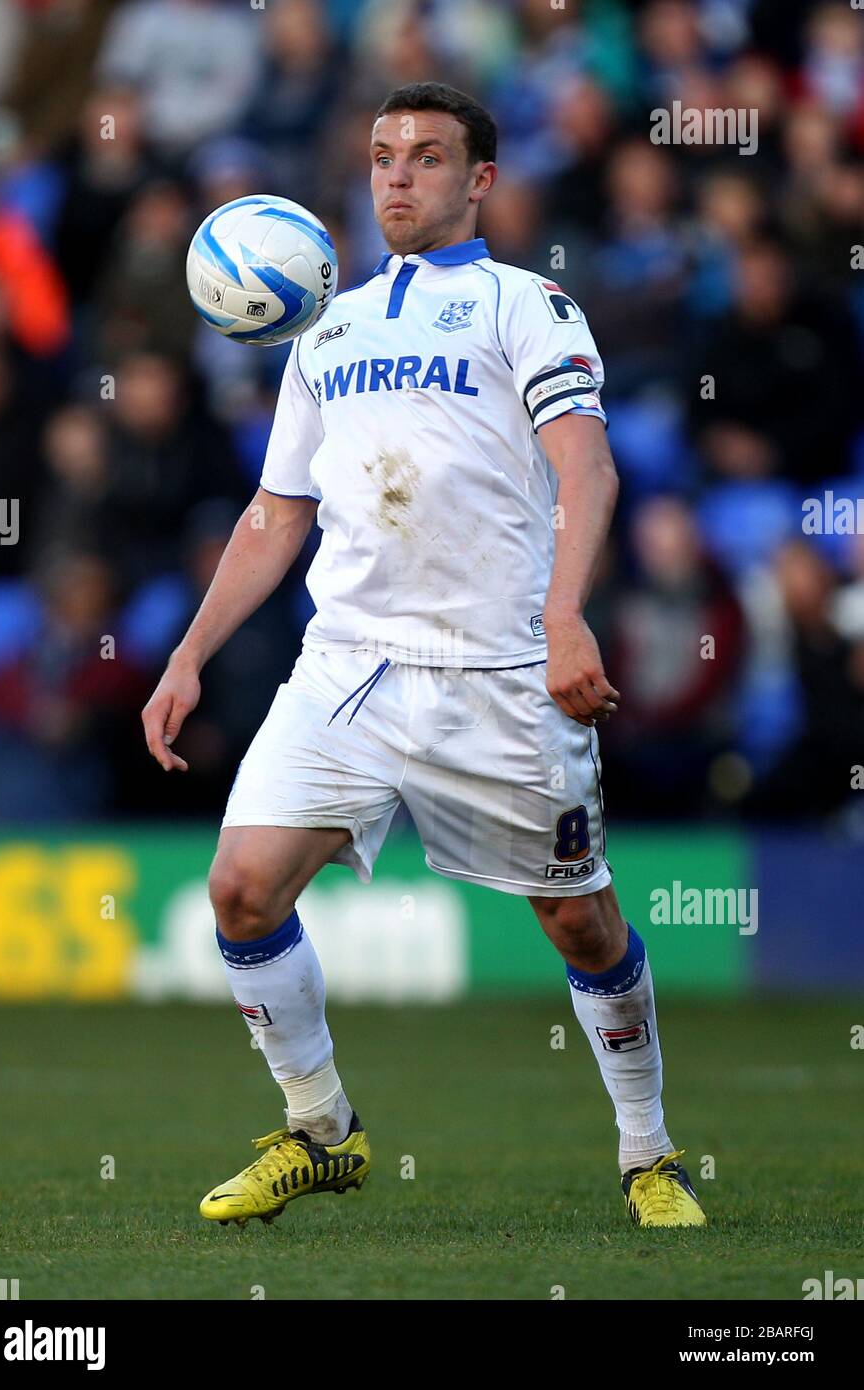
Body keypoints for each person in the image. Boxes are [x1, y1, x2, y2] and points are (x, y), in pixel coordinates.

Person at [142, 82, 706, 1231]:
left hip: (497, 667)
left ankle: (648, 1153)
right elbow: (274, 511)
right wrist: (190, 651)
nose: (397, 176)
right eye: (383, 156)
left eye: (428, 158)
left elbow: (586, 469)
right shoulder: (326, 327)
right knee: (242, 890)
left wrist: (564, 615)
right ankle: (323, 1134)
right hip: (348, 661)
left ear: (480, 181)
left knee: (579, 923)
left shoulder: (526, 306)